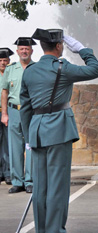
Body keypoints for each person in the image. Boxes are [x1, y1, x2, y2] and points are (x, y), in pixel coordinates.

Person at [20, 28, 98, 233]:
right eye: (64, 45)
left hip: (37, 132)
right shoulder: (63, 67)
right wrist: (83, 49)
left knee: (41, 186)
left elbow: (25, 108)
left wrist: (29, 136)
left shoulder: (30, 71)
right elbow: (96, 69)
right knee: (57, 185)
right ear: (58, 46)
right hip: (58, 130)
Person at [1, 37, 35, 194]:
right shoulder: (10, 69)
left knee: (31, 146)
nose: (24, 51)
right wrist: (4, 113)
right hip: (14, 110)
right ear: (17, 51)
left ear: (31, 51)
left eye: (27, 48)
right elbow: (5, 92)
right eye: (21, 49)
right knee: (14, 147)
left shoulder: (37, 68)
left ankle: (30, 181)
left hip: (31, 111)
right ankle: (17, 181)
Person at [0, 48, 13, 185]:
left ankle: (8, 172)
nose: (3, 63)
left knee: (8, 144)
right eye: (1, 61)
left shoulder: (11, 73)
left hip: (8, 112)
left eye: (5, 60)